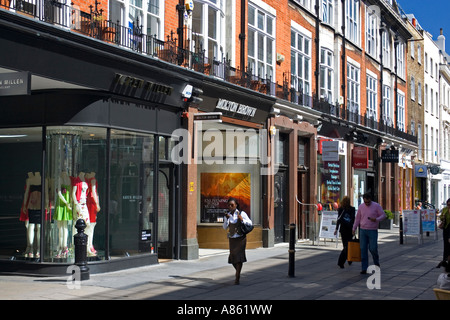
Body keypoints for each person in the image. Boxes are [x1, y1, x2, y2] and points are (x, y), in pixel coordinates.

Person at [352, 193, 386, 274]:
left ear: (371, 199)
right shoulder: (361, 206)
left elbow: (383, 215)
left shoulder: (376, 206)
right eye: (365, 202)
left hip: (372, 230)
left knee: (373, 248)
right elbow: (357, 218)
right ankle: (364, 268)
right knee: (363, 249)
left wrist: (376, 219)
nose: (367, 203)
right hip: (363, 230)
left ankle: (376, 263)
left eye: (368, 202)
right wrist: (354, 228)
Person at [222, 197, 252, 285]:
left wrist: (242, 219)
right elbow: (224, 227)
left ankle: (237, 276)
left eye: (232, 205)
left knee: (239, 258)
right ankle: (238, 272)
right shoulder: (227, 215)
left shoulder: (242, 213)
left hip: (240, 238)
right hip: (232, 239)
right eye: (229, 205)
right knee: (232, 257)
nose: (230, 206)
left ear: (236, 205)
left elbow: (250, 223)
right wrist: (227, 219)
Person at [334, 196, 355, 268]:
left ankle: (347, 260)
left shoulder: (341, 209)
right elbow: (353, 219)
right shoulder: (351, 209)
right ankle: (342, 261)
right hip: (349, 229)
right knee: (348, 245)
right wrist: (354, 229)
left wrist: (336, 229)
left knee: (346, 245)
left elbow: (338, 220)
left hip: (344, 230)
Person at [438, 198, 450, 266]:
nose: (449, 206)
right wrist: (443, 217)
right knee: (446, 244)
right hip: (446, 228)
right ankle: (445, 259)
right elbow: (441, 217)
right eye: (448, 205)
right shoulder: (445, 209)